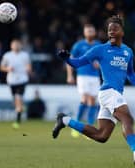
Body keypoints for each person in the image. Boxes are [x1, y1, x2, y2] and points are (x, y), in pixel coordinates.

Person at [52, 15, 135, 163]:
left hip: (115, 94)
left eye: (115, 29)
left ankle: (65, 120)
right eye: (109, 30)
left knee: (101, 136)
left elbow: (130, 73)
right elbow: (77, 63)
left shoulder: (128, 51)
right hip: (108, 92)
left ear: (122, 32)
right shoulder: (100, 50)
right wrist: (67, 59)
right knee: (127, 119)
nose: (111, 32)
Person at [66, 24, 100, 137]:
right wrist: (70, 75)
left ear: (94, 33)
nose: (90, 33)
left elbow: (104, 61)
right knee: (84, 99)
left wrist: (99, 65)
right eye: (88, 31)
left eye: (91, 31)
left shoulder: (98, 45)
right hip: (82, 75)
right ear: (84, 33)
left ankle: (89, 130)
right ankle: (76, 126)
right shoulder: (79, 45)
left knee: (92, 101)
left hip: (95, 76)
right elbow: (69, 60)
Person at [0, 39, 32, 129]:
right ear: (11, 46)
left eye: (18, 44)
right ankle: (21, 107)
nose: (16, 46)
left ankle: (17, 121)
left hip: (22, 80)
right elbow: (1, 67)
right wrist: (8, 69)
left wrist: (28, 69)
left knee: (18, 98)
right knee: (15, 102)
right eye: (14, 45)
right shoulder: (7, 55)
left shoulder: (25, 55)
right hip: (11, 81)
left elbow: (29, 66)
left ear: (20, 46)